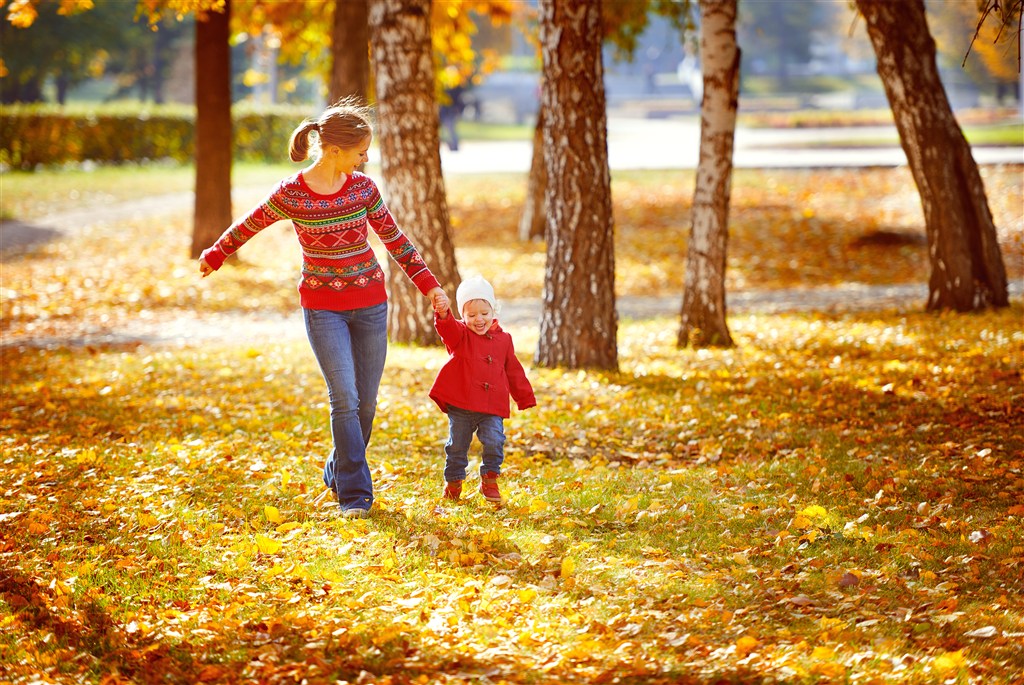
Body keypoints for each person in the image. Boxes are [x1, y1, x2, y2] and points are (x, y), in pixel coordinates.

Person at [198, 99, 449, 519]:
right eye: (360, 152)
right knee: (344, 398)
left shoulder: (363, 189)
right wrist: (217, 253)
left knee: (365, 405)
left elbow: (396, 240)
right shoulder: (293, 193)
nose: (365, 159)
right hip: (322, 308)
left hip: (370, 304)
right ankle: (355, 494)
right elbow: (251, 222)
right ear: (334, 150)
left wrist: (431, 286)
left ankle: (338, 467)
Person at [429, 275, 536, 503]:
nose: (479, 319)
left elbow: (513, 370)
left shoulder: (504, 340)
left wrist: (524, 397)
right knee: (457, 445)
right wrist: (444, 313)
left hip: (491, 406)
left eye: (484, 313)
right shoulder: (460, 335)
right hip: (461, 405)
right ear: (463, 316)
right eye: (471, 315)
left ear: (493, 311)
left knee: (495, 440)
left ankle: (489, 480)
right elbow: (447, 329)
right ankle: (454, 481)